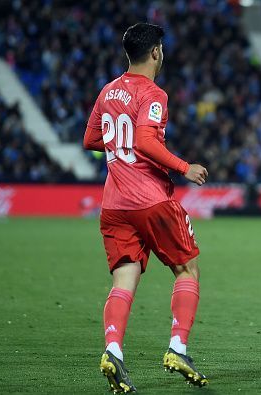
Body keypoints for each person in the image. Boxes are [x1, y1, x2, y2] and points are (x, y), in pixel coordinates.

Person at [83, 23, 209, 392]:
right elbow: (143, 140)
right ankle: (177, 347)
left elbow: (92, 138)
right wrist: (185, 167)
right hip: (150, 199)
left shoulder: (108, 91)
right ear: (156, 52)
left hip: (114, 204)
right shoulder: (153, 94)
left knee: (124, 279)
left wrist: (115, 152)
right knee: (187, 269)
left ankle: (113, 351)